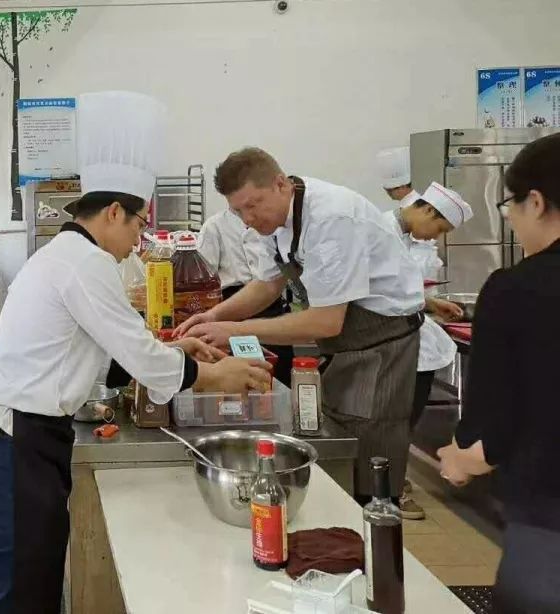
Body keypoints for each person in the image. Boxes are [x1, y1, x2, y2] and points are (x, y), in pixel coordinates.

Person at [0, 91, 272, 614]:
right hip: (8, 449)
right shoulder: (87, 263)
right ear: (114, 212)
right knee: (14, 601)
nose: (139, 240)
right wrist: (218, 375)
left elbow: (105, 352)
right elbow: (142, 359)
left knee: (4, 596)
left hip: (9, 445)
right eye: (139, 225)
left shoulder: (68, 254)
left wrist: (177, 348)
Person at [176, 147, 425, 504]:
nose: (247, 219)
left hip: (382, 345)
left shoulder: (331, 218)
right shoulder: (276, 220)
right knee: (340, 437)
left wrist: (234, 330)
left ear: (281, 184)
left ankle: (374, 522)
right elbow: (267, 284)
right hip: (345, 345)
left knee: (369, 449)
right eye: (238, 211)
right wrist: (216, 316)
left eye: (253, 205)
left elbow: (326, 321)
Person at [437, 133, 560, 613]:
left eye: (510, 205)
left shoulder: (517, 289)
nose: (509, 217)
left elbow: (495, 424)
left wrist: (460, 460)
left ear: (537, 202)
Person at [378, 171, 472, 520]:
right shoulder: (381, 231)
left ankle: (391, 482)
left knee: (401, 420)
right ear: (428, 211)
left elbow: (398, 286)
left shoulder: (400, 234)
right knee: (395, 421)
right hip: (389, 342)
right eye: (440, 228)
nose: (437, 237)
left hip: (406, 337)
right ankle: (390, 489)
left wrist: (430, 303)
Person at [196, 210, 293, 386]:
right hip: (231, 306)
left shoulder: (272, 223)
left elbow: (269, 284)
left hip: (271, 306)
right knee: (242, 378)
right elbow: (203, 279)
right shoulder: (214, 226)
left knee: (278, 375)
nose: (248, 219)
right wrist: (212, 315)